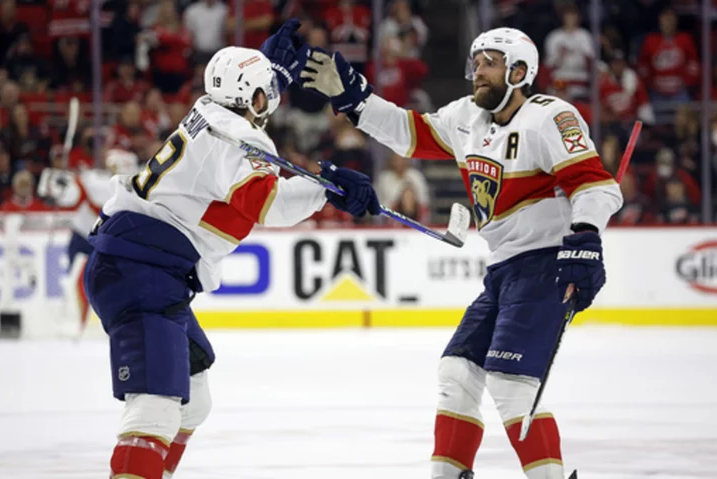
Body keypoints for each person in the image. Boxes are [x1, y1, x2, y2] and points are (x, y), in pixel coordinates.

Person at [301, 27, 623, 478]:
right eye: (477, 61)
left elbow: (596, 186)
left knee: (511, 385)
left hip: (546, 264)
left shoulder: (550, 116)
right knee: (457, 373)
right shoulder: (466, 117)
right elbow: (406, 132)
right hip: (503, 269)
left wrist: (585, 237)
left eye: (490, 62)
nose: (478, 71)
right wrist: (353, 99)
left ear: (519, 71)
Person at [83, 34, 380, 479]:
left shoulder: (209, 110)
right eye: (270, 93)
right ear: (255, 97)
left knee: (193, 398)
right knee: (156, 409)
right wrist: (327, 190)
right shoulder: (238, 132)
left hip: (141, 264)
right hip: (141, 269)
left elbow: (242, 108)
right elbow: (267, 204)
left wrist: (270, 73)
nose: (273, 101)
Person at [37, 148, 139, 268]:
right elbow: (68, 193)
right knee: (79, 283)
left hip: (109, 245)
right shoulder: (96, 180)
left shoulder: (136, 192)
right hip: (84, 239)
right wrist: (56, 184)